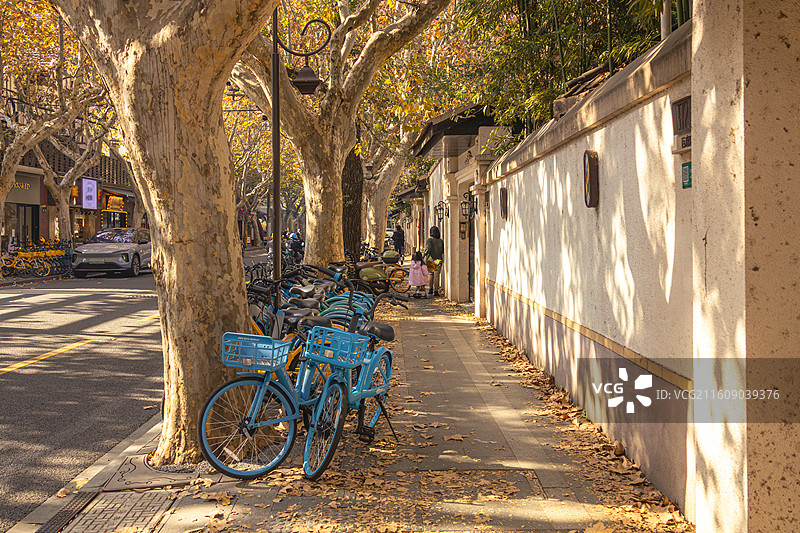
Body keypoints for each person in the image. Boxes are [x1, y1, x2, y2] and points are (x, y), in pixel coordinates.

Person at [423, 226, 444, 296]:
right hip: (438, 259)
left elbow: (428, 248)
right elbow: (442, 251)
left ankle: (430, 289)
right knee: (437, 275)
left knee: (431, 274)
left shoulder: (429, 240)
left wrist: (423, 255)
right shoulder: (441, 241)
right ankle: (436, 291)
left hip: (430, 259)